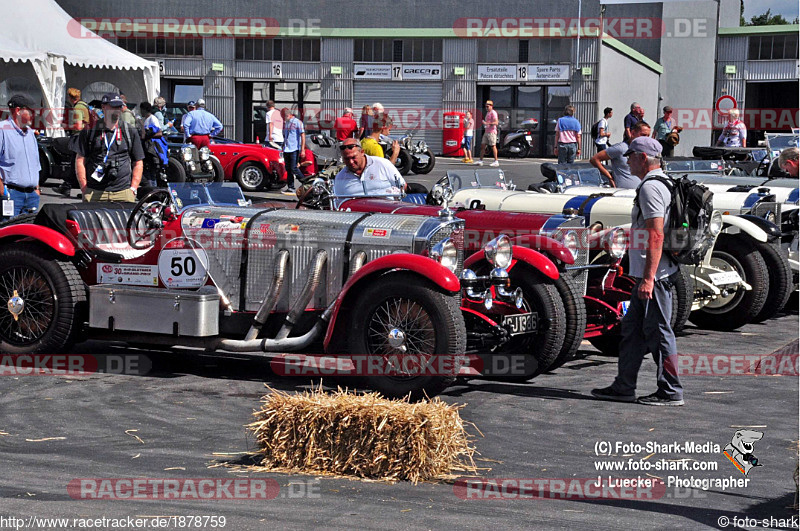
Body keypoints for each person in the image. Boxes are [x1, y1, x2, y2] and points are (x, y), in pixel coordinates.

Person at [592, 136, 684, 406]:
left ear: (643, 158)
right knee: (632, 330)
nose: (625, 159)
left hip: (653, 276)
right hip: (651, 273)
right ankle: (624, 385)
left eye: (630, 155)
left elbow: (656, 234)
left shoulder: (650, 188)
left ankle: (671, 391)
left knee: (659, 332)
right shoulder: (664, 182)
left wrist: (648, 279)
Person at [74, 93, 144, 203]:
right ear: (103, 107)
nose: (117, 110)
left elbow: (138, 162)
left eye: (119, 107)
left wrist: (133, 188)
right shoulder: (90, 131)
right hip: (94, 192)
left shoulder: (129, 131)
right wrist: (84, 187)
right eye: (113, 106)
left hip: (123, 193)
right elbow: (80, 159)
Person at [0, 95, 41, 219]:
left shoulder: (30, 134)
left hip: (31, 197)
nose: (33, 115)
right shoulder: (2, 130)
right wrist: (2, 190)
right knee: (9, 234)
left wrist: (37, 189)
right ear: (18, 111)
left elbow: (36, 164)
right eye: (30, 111)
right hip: (11, 194)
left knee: (28, 235)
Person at [332, 138, 406, 206]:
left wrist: (395, 192)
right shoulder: (340, 178)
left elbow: (403, 186)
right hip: (356, 216)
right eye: (346, 159)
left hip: (387, 212)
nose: (351, 162)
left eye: (353, 157)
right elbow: (339, 204)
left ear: (362, 152)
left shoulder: (382, 164)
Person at [589, 121, 651, 189]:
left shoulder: (645, 151)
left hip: (640, 192)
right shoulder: (621, 148)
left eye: (648, 136)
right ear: (633, 133)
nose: (646, 138)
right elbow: (594, 159)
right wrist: (609, 177)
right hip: (623, 194)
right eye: (643, 135)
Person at [138, 101, 169, 188]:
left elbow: (159, 132)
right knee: (148, 169)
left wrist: (148, 136)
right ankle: (151, 187)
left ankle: (153, 188)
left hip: (153, 148)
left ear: (144, 110)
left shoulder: (152, 119)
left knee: (152, 170)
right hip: (147, 147)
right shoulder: (146, 119)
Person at [281, 108, 305, 195]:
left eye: (283, 117)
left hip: (294, 148)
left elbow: (302, 135)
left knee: (294, 168)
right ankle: (291, 187)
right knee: (288, 169)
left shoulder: (297, 122)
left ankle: (305, 182)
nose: (283, 119)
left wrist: (302, 149)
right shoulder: (286, 123)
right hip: (286, 148)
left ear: (287, 115)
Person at [476, 100, 499, 166]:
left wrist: (487, 123)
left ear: (491, 106)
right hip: (487, 131)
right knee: (483, 145)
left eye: (488, 106)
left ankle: (496, 161)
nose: (487, 108)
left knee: (493, 146)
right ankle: (481, 160)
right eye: (486, 106)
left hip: (492, 132)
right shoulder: (488, 113)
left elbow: (496, 122)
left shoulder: (493, 113)